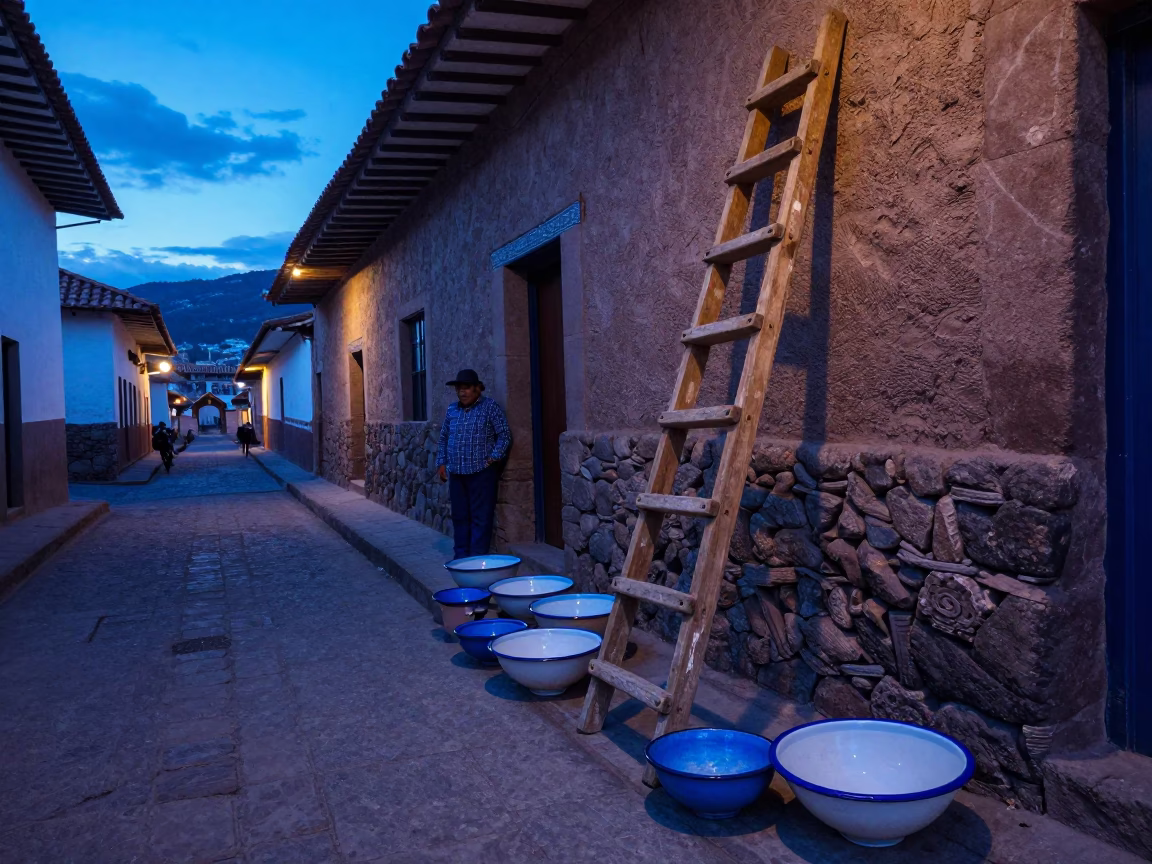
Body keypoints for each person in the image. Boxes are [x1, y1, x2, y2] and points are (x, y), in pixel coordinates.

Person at [436, 369, 512, 561]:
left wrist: (493, 457)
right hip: (457, 474)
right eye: (459, 389)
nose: (462, 392)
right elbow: (444, 436)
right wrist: (441, 462)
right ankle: (461, 558)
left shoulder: (489, 407)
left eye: (467, 388)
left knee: (481, 518)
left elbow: (504, 434)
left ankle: (477, 559)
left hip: (481, 473)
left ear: (477, 389)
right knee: (460, 516)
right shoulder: (452, 410)